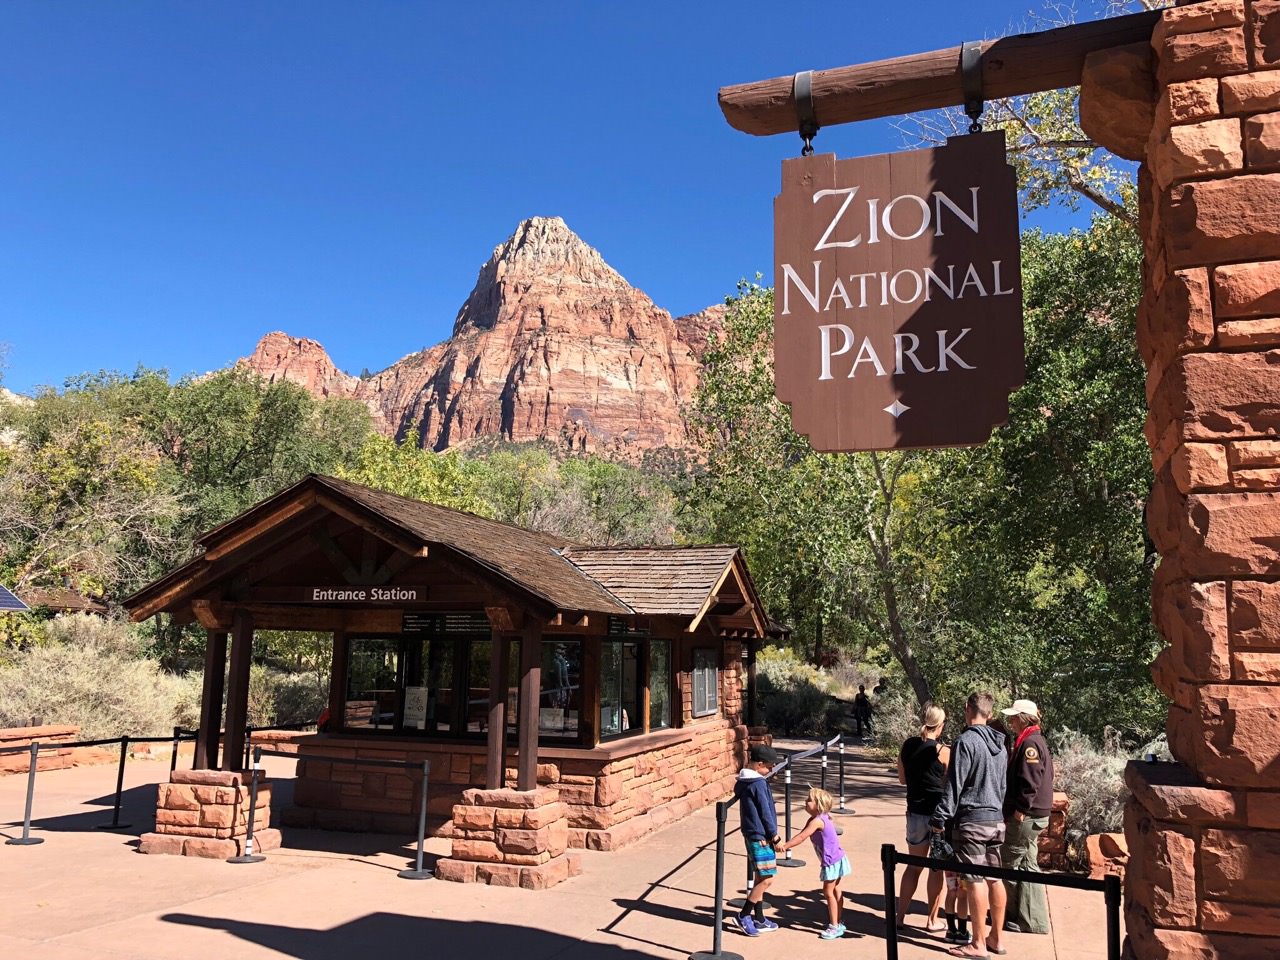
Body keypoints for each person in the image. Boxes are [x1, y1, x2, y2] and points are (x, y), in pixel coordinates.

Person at [930, 692, 1009, 960]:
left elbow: (955, 783)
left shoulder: (965, 741)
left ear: (967, 709)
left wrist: (940, 818)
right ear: (990, 713)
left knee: (975, 880)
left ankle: (978, 943)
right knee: (995, 878)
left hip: (972, 821)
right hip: (996, 819)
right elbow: (1002, 786)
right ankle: (996, 938)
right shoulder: (1001, 743)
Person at [1000, 699, 1055, 935]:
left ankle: (1010, 913)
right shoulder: (1032, 740)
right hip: (1034, 813)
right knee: (1027, 864)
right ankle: (1033, 920)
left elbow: (1029, 782)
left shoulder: (1030, 744)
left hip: (1028, 815)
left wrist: (1020, 810)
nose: (1011, 721)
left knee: (1009, 862)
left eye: (1014, 717)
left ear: (1024, 718)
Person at [895, 704, 951, 932]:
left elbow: (902, 779)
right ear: (940, 725)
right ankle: (931, 919)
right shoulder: (942, 751)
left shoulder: (908, 745)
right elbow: (950, 784)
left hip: (915, 813)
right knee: (935, 868)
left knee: (913, 866)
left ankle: (900, 917)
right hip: (938, 816)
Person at [778, 787, 850, 940]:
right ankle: (838, 920)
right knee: (836, 890)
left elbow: (802, 837)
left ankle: (834, 926)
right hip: (838, 858)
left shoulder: (817, 821)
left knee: (828, 892)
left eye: (809, 800)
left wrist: (785, 846)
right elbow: (802, 834)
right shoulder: (820, 818)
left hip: (831, 861)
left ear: (819, 804)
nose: (806, 802)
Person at [732, 743, 782, 936]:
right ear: (759, 764)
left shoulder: (744, 781)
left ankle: (759, 917)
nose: (770, 770)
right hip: (761, 837)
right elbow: (765, 812)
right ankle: (744, 915)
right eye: (769, 767)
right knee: (767, 879)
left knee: (761, 877)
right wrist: (774, 836)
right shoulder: (758, 784)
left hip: (753, 833)